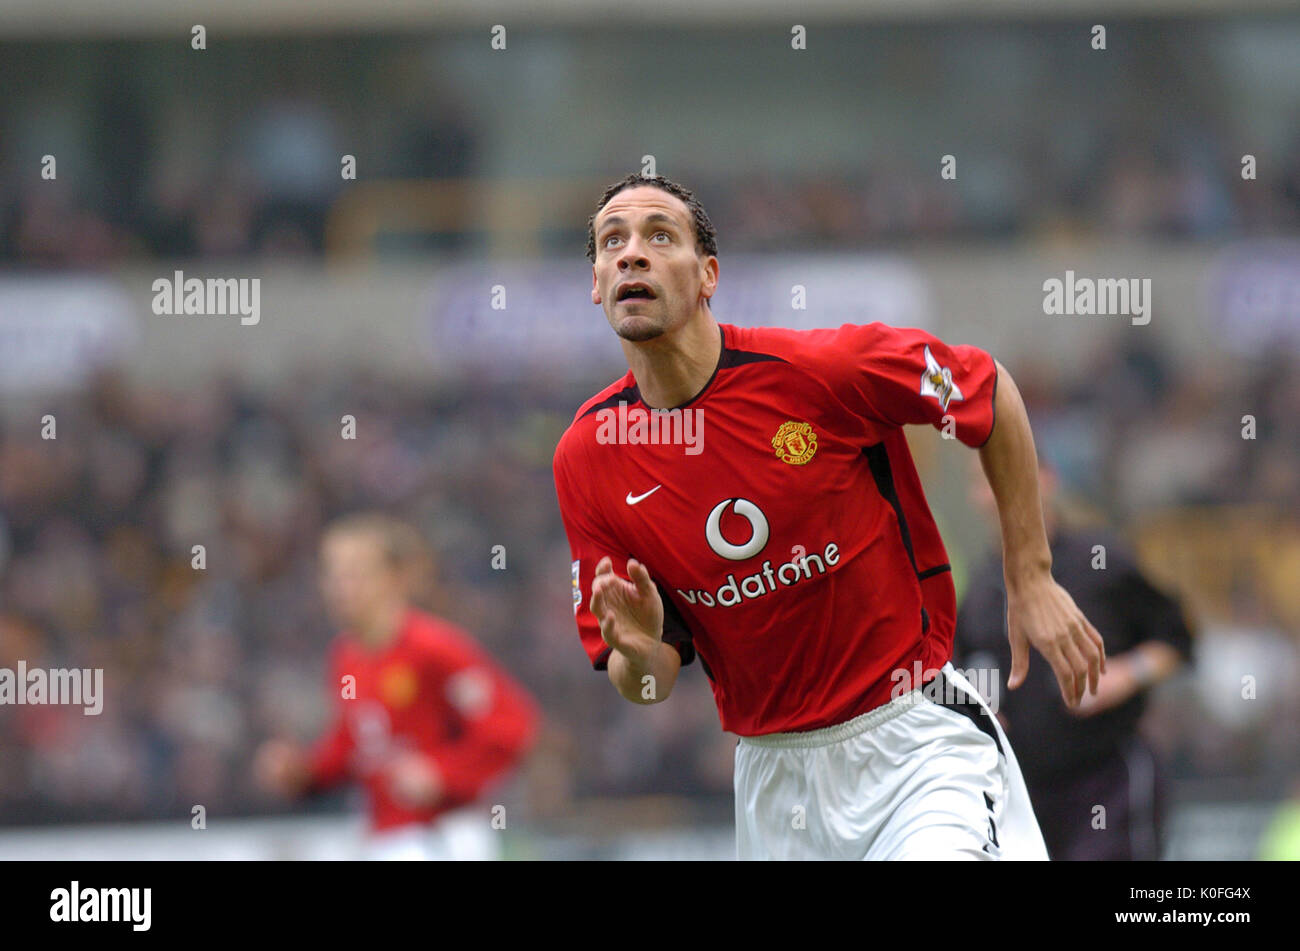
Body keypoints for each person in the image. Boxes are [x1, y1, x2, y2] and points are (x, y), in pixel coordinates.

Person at [552, 173, 1105, 860]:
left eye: (659, 236)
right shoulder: (588, 456)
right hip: (772, 782)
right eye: (613, 242)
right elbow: (647, 682)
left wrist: (1032, 575)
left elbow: (985, 391)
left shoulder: (823, 370)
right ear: (597, 283)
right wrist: (637, 654)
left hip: (914, 743)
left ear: (707, 276)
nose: (632, 253)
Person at [255, 513, 538, 860]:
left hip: (445, 835)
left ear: (395, 578)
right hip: (386, 836)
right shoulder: (346, 658)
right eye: (331, 573)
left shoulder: (435, 649)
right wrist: (304, 771)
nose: (340, 587)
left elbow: (511, 725)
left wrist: (442, 773)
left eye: (355, 574)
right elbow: (354, 745)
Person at [954, 457, 1194, 860]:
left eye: (1005, 472)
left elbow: (1178, 638)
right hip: (1023, 792)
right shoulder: (978, 592)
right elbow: (963, 677)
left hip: (1107, 781)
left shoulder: (1101, 560)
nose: (996, 492)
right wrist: (979, 711)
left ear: (1047, 480)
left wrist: (1126, 673)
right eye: (983, 482)